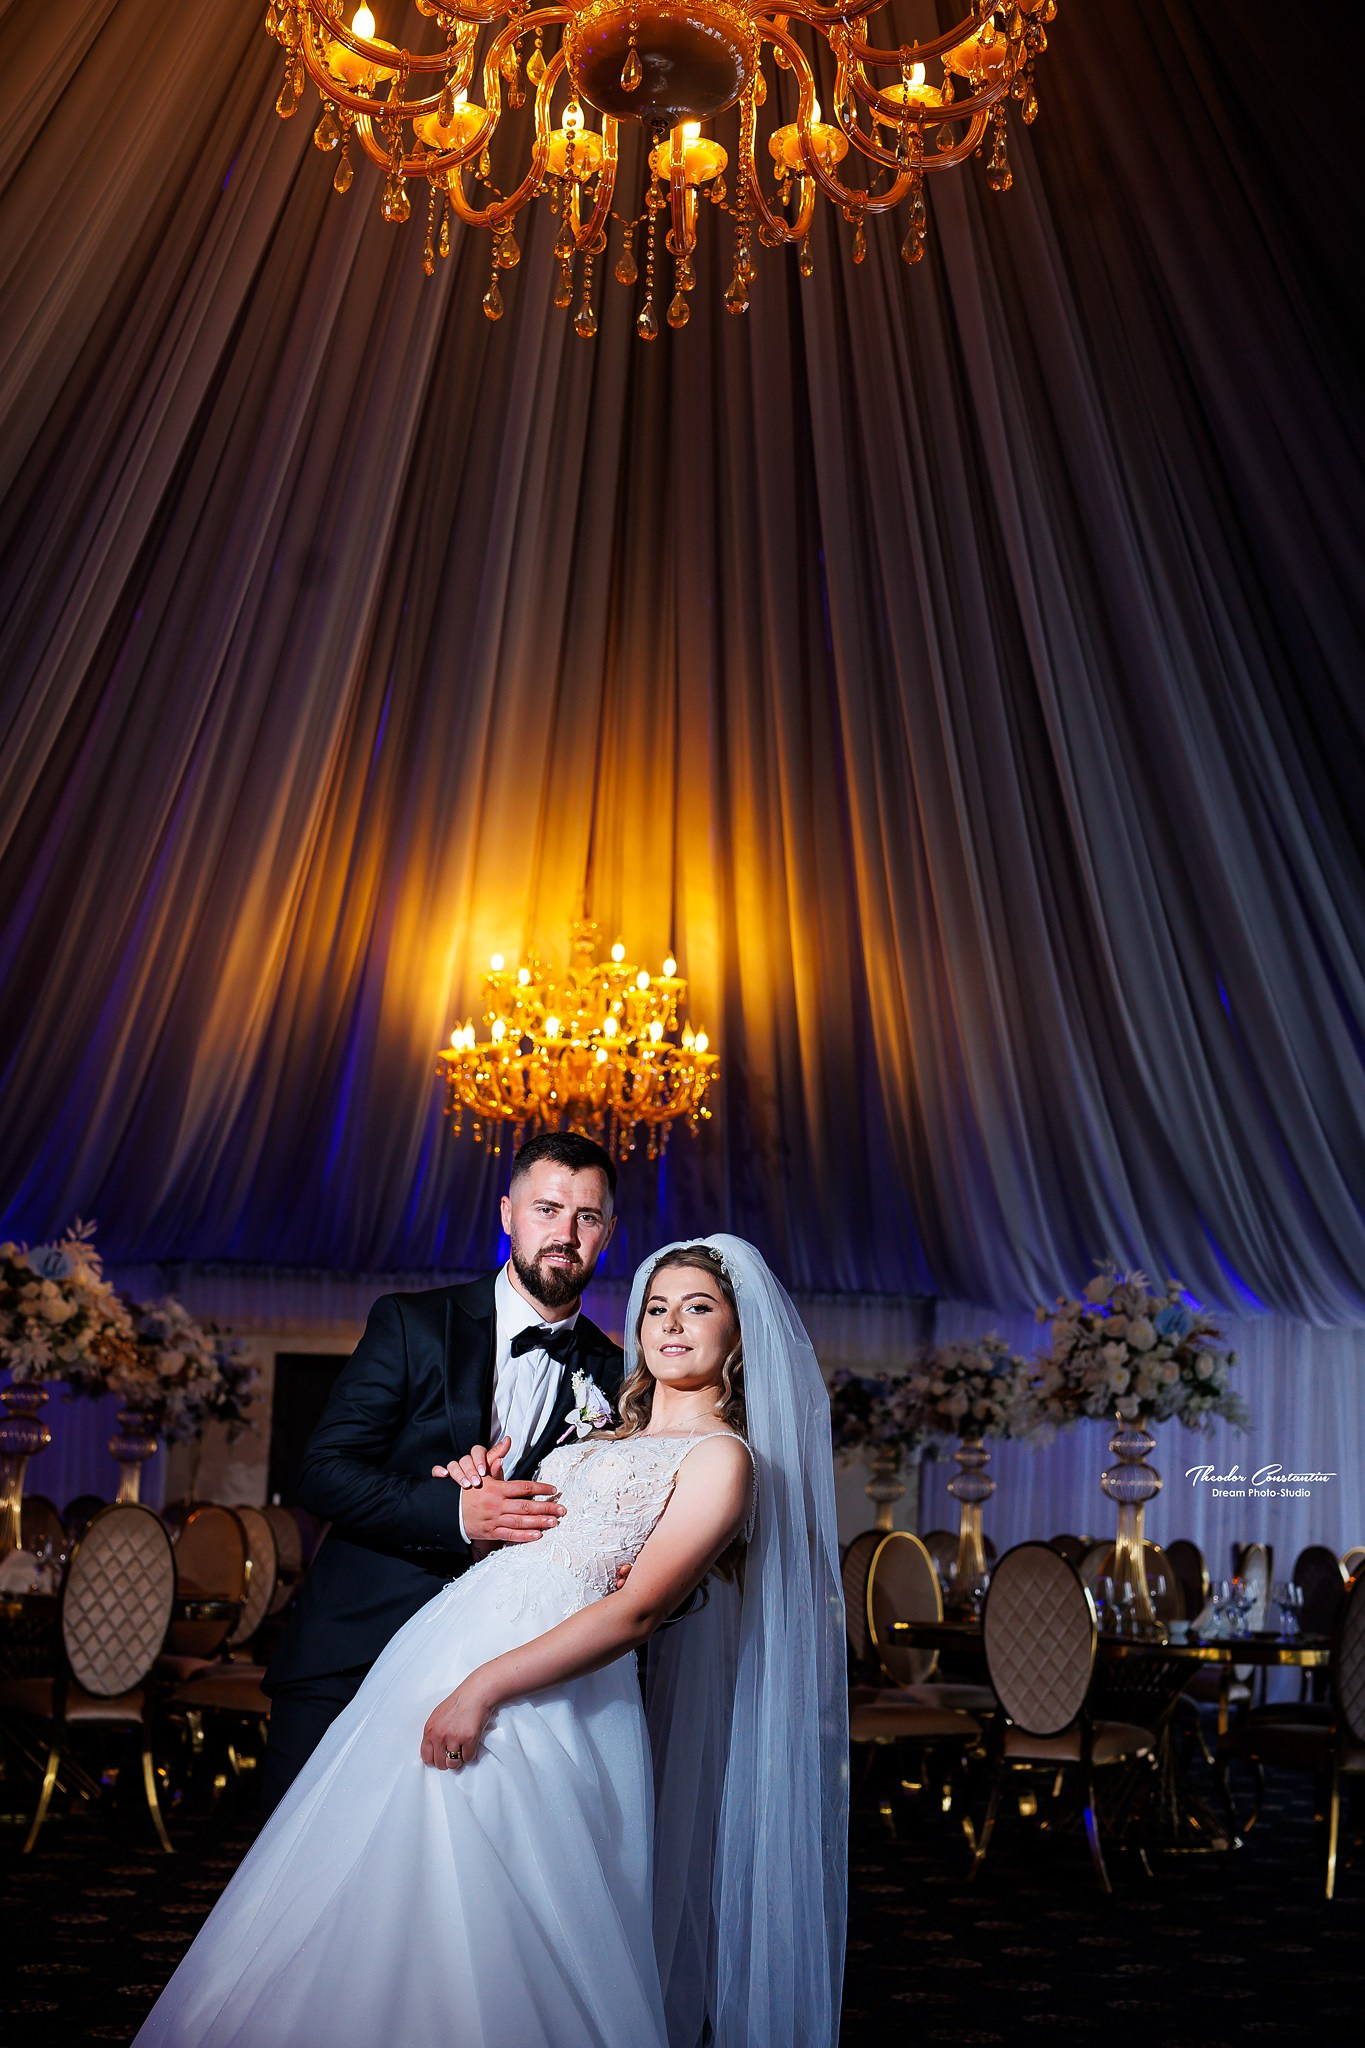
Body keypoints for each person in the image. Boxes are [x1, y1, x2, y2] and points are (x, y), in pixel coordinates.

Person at [134, 1236, 847, 2048]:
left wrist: (482, 1688)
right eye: (657, 1307)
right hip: (442, 1650)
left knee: (496, 1896)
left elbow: (635, 1613)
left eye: (697, 1308)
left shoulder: (722, 1459)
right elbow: (532, 1554)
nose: (671, 1325)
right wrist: (478, 1498)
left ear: (738, 1333)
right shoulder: (603, 1437)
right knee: (384, 1881)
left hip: (539, 1694)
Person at [259, 1129, 624, 1816]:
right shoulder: (413, 1323)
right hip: (357, 1648)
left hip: (494, 1676)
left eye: (586, 1216)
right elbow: (323, 1472)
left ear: (608, 1231)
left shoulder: (617, 1374)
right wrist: (457, 1514)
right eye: (546, 1209)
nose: (565, 1234)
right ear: (507, 1214)